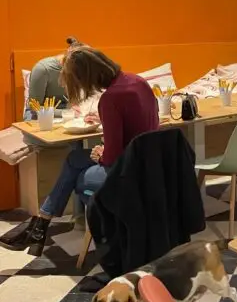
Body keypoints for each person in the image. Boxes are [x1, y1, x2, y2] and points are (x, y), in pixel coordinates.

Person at [1, 47, 159, 255]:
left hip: (128, 171)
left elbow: (111, 158)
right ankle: (41, 224)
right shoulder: (137, 81)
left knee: (79, 179)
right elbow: (143, 122)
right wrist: (105, 125)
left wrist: (102, 154)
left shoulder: (110, 99)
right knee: (74, 158)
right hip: (150, 162)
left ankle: (110, 235)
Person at [24, 36, 82, 119]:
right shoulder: (43, 69)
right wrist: (66, 112)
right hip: (40, 115)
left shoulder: (80, 68)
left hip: (68, 113)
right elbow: (34, 107)